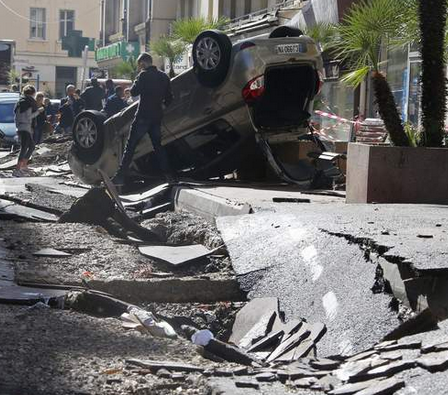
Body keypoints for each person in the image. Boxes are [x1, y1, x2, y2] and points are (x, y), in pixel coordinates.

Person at [111, 53, 173, 185]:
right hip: (156, 117)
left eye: (139, 66)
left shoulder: (143, 75)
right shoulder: (163, 76)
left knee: (131, 147)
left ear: (143, 64)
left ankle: (120, 177)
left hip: (143, 117)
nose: (139, 68)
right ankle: (168, 175)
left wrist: (131, 87)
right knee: (158, 146)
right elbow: (169, 98)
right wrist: (161, 106)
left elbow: (134, 92)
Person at [13, 85, 44, 176]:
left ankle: (23, 166)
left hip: (21, 127)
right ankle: (18, 169)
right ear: (33, 93)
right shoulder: (28, 103)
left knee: (31, 146)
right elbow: (28, 117)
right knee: (24, 148)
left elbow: (16, 117)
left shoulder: (20, 102)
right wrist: (38, 111)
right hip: (25, 128)